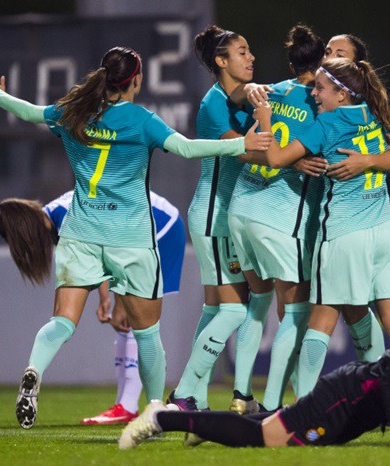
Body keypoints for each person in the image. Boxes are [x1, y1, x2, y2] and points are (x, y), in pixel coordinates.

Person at [0, 46, 271, 429]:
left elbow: (31, 113)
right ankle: (154, 409)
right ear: (136, 80)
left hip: (81, 234)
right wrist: (239, 144)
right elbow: (185, 148)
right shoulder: (141, 120)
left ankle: (34, 369)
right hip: (130, 238)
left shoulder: (74, 112)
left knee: (63, 322)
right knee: (147, 333)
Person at [119, 264, 390, 449]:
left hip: (358, 412)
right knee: (264, 437)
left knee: (270, 428)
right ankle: (162, 418)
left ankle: (198, 424)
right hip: (345, 398)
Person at [252, 58, 390, 406]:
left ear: (341, 94)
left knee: (320, 321)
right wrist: (369, 160)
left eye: (321, 88)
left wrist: (266, 118)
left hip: (344, 234)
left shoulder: (325, 124)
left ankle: (305, 408)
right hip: (386, 232)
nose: (314, 93)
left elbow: (277, 158)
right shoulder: (370, 113)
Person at [0, 190, 185, 425]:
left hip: (160, 229)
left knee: (138, 321)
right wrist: (106, 298)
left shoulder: (68, 218)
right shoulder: (59, 213)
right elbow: (103, 249)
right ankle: (133, 405)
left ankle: (134, 405)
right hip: (126, 232)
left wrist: (117, 299)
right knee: (133, 325)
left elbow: (105, 248)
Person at [168, 26, 275, 415]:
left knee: (215, 310)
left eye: (250, 52)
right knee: (234, 310)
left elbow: (255, 100)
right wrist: (298, 153)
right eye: (242, 52)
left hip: (223, 214)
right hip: (215, 214)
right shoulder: (214, 105)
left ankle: (194, 394)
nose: (251, 58)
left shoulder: (240, 99)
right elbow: (253, 154)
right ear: (221, 60)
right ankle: (183, 393)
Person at [226, 24, 326, 412]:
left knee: (259, 302)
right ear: (323, 67)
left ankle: (241, 394)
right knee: (297, 311)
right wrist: (296, 159)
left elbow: (243, 149)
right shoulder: (322, 101)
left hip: (240, 207)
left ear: (291, 63)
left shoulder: (269, 92)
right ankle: (276, 407)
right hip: (279, 215)